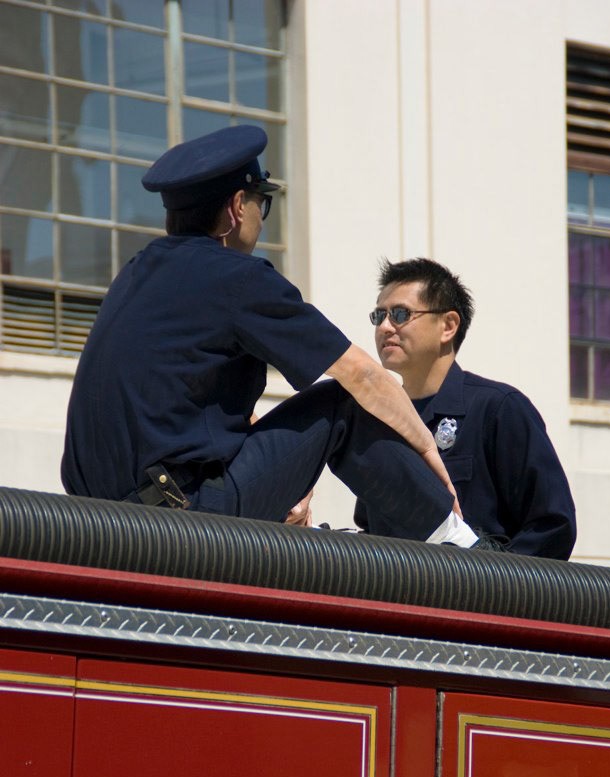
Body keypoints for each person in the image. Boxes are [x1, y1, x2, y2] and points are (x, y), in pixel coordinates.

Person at [61, 126, 482, 548]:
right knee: (342, 405)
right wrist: (430, 453)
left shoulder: (136, 273)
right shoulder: (237, 278)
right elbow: (363, 378)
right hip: (183, 522)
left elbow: (184, 405)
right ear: (235, 209)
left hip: (98, 524)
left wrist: (285, 474)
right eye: (262, 202)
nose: (261, 217)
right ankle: (459, 547)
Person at [353, 258, 577, 558]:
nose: (384, 327)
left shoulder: (498, 409)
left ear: (448, 326)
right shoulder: (378, 422)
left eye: (400, 314)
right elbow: (372, 530)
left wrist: (494, 586)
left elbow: (552, 527)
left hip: (477, 600)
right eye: (379, 315)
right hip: (399, 600)